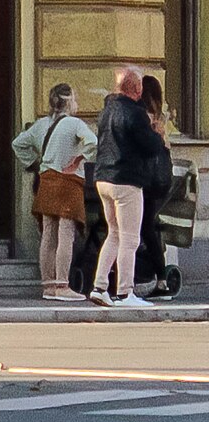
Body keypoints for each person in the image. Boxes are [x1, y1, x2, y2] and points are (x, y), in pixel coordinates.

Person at [91, 64, 167, 306]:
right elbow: (151, 147)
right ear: (137, 88)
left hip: (103, 178)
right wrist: (157, 134)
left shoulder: (106, 111)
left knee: (113, 234)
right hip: (127, 181)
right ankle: (125, 292)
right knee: (130, 239)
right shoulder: (135, 113)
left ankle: (100, 286)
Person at [12, 84, 95, 302]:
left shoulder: (41, 124)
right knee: (65, 234)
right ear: (69, 102)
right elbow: (93, 142)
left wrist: (33, 162)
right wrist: (78, 159)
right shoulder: (75, 123)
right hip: (68, 183)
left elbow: (18, 143)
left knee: (48, 234)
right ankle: (62, 285)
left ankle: (48, 285)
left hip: (46, 181)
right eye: (75, 98)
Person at [139, 75, 181, 300]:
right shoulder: (161, 117)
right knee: (146, 227)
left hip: (146, 180)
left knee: (144, 227)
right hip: (160, 180)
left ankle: (160, 279)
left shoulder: (146, 117)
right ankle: (159, 277)